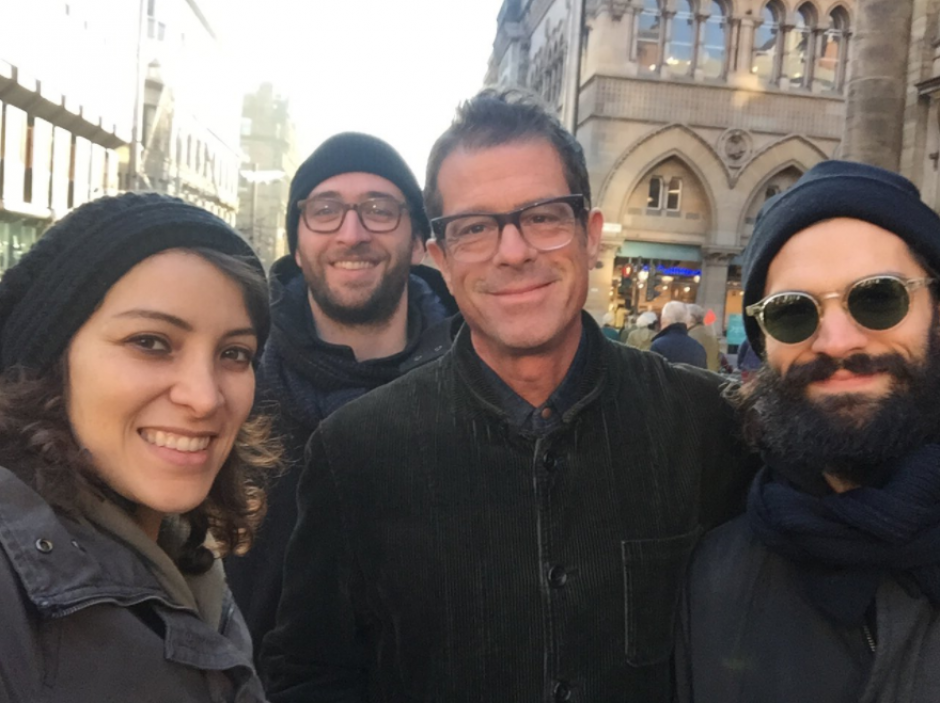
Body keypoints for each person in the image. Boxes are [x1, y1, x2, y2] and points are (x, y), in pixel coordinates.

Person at [262, 88, 755, 703]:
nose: (514, 251)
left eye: (544, 216)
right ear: (440, 257)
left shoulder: (706, 424)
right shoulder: (356, 450)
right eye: (474, 228)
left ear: (590, 233)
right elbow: (310, 673)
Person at [0, 192, 280, 702]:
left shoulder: (186, 562)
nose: (204, 396)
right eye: (150, 342)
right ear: (49, 359)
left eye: (234, 353)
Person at [677, 161, 940, 702]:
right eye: (793, 312)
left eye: (879, 297)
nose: (838, 341)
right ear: (764, 344)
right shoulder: (717, 580)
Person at [225, 132, 457, 658]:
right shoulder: (232, 386)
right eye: (325, 210)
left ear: (420, 242)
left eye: (380, 209)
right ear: (298, 243)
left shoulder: (474, 390)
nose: (352, 233)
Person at [650, 301, 707, 368]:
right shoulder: (699, 348)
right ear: (686, 321)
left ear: (663, 320)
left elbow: (653, 375)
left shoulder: (658, 345)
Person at [686, 304, 720, 372]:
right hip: (712, 375)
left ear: (691, 318)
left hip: (698, 376)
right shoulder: (708, 333)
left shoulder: (691, 336)